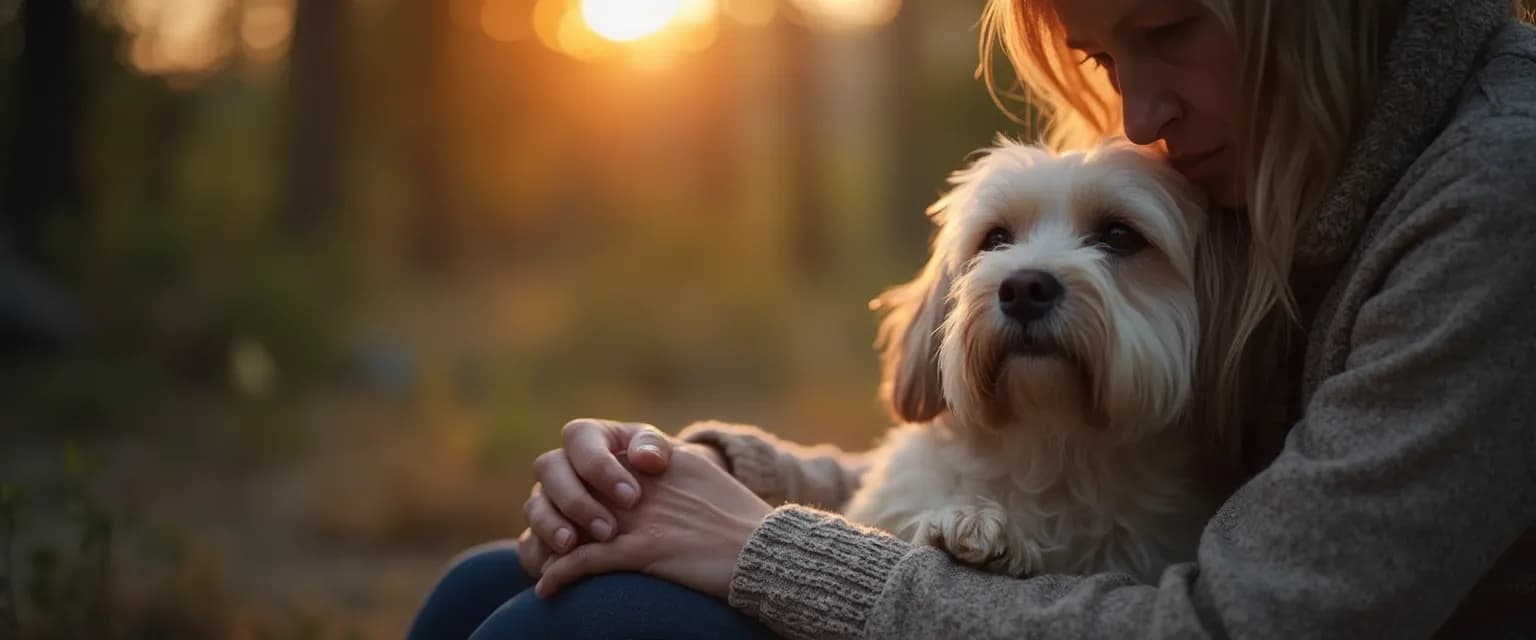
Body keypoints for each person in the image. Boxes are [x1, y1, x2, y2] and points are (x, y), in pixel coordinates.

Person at [408, 0, 1536, 637]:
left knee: (562, 633)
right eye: (1105, 58)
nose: (1139, 111)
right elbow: (956, 474)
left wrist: (759, 547)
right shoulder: (1278, 160)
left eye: (1175, 27)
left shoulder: (1489, 197)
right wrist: (702, 475)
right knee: (480, 588)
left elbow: (1239, 624)